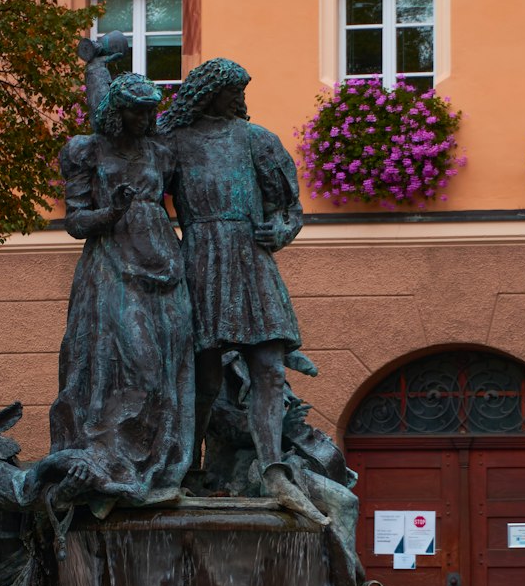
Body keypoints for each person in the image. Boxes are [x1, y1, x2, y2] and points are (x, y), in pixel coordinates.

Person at [158, 58, 325, 525]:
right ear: (211, 93)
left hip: (251, 258)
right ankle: (188, 466)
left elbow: (290, 207)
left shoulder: (257, 140)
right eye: (234, 91)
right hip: (199, 259)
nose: (241, 100)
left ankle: (272, 466)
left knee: (269, 367)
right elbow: (147, 199)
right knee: (202, 376)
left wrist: (281, 231)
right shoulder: (175, 144)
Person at [49, 67, 194, 510]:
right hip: (111, 261)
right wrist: (109, 211)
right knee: (129, 364)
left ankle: (159, 466)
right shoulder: (85, 151)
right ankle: (110, 461)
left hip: (164, 263)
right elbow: (75, 221)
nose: (144, 121)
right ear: (117, 113)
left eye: (150, 112)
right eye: (136, 113)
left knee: (168, 366)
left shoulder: (162, 151)